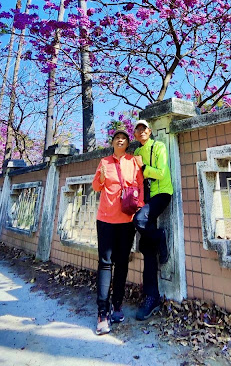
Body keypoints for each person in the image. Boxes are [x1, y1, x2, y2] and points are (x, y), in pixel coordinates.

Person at [92, 129, 143, 335]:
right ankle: (102, 312)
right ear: (112, 143)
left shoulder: (133, 162)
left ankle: (117, 306)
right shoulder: (104, 162)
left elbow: (139, 185)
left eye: (124, 138)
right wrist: (102, 178)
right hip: (105, 219)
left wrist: (138, 206)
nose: (120, 140)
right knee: (105, 263)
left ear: (127, 143)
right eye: (116, 138)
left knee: (122, 263)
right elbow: (96, 187)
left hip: (126, 219)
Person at [133, 119, 173, 321]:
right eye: (137, 130)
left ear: (150, 131)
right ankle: (151, 297)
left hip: (162, 194)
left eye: (143, 128)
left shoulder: (159, 146)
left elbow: (161, 172)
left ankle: (159, 235)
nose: (140, 132)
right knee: (146, 247)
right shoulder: (136, 153)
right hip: (145, 199)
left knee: (139, 220)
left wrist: (143, 168)